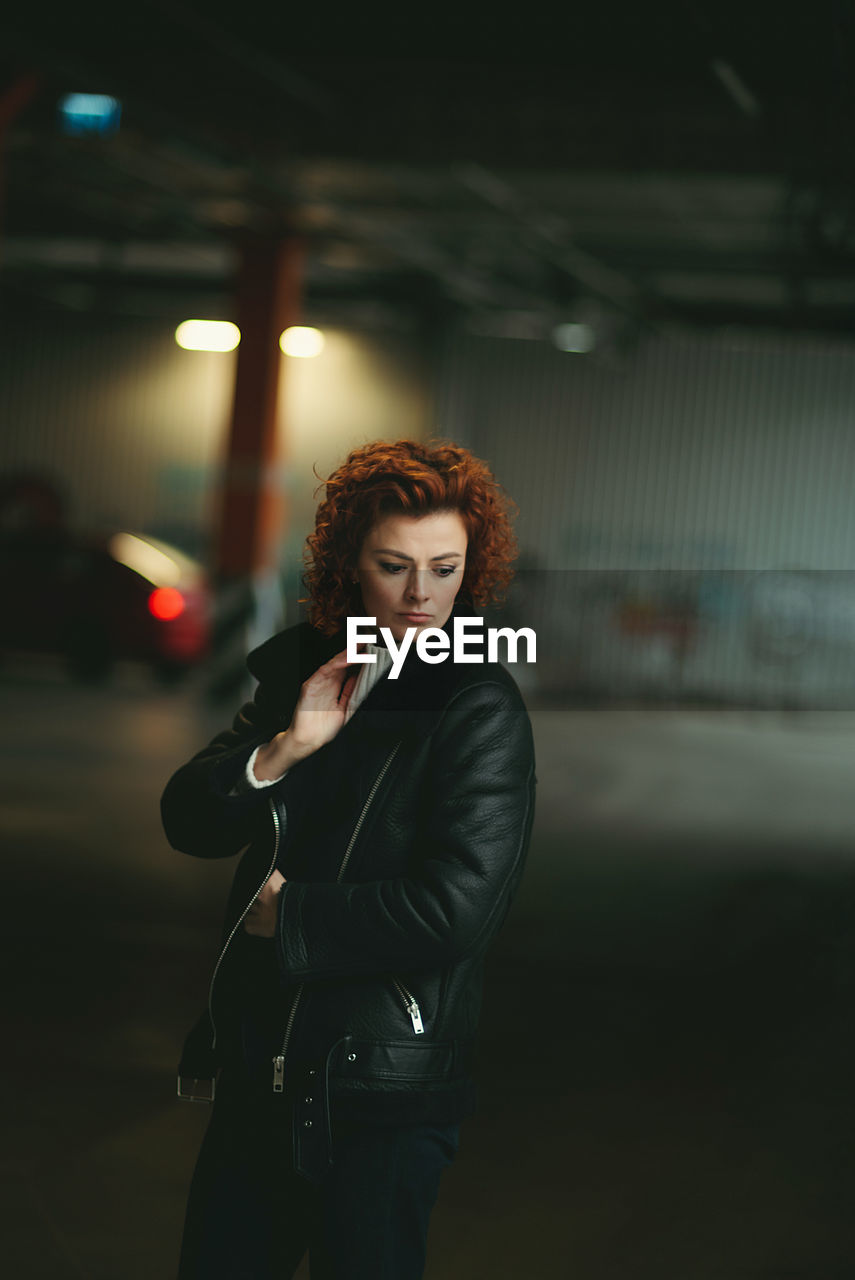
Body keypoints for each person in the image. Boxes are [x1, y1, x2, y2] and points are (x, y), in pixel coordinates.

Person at [161, 438, 537, 1280]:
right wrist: (283, 751)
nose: (419, 596)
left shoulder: (477, 707)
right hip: (261, 1072)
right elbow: (188, 816)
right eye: (393, 566)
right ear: (348, 564)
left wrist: (289, 917)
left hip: (384, 1095)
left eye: (444, 569)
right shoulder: (308, 668)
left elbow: (457, 909)